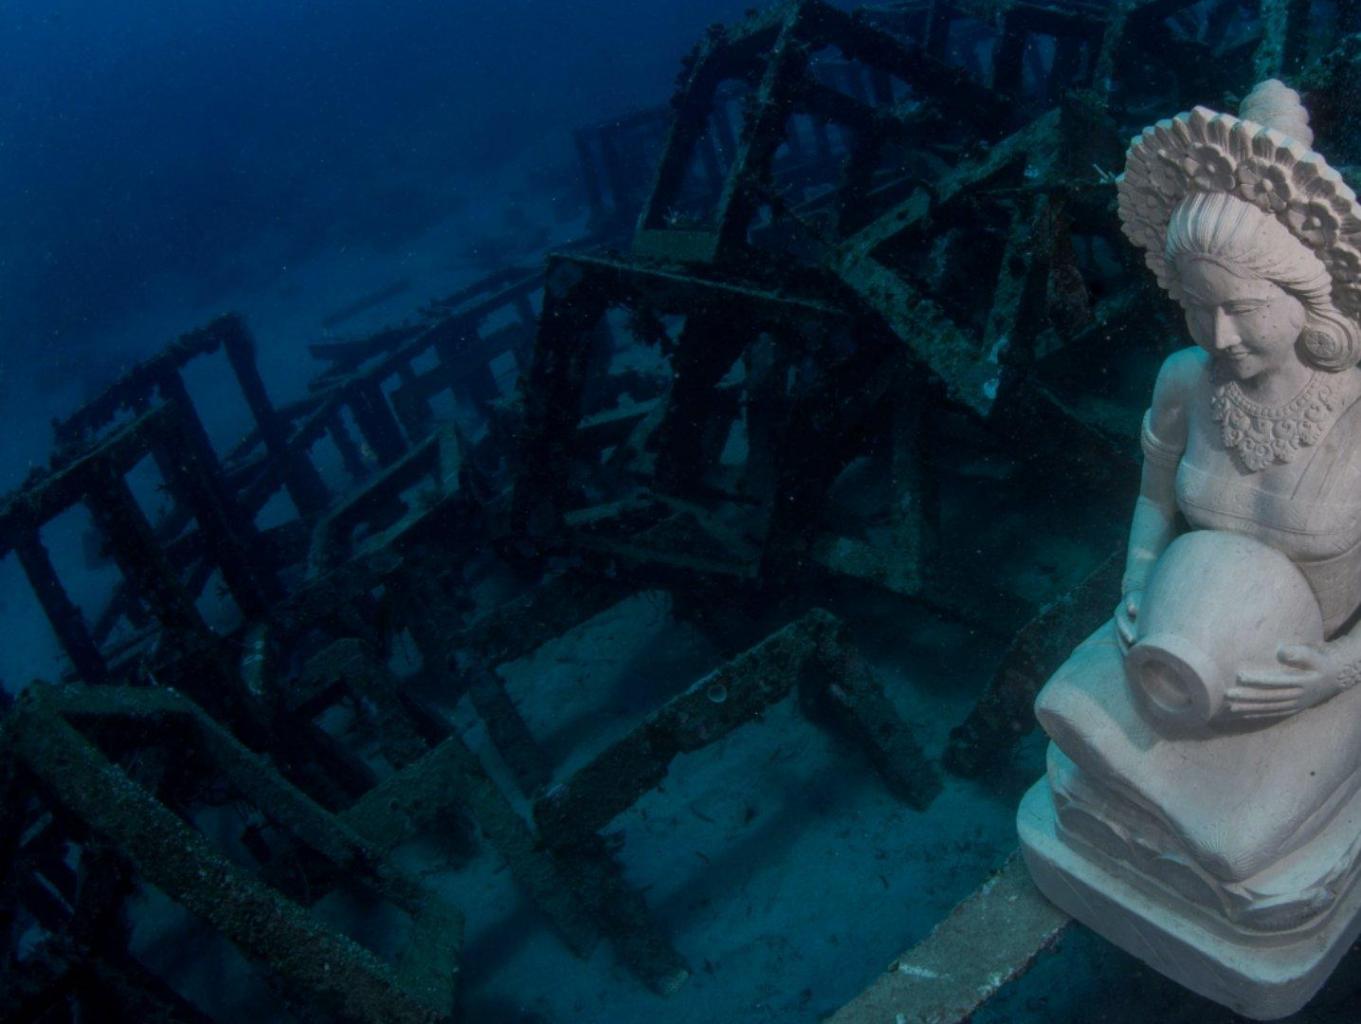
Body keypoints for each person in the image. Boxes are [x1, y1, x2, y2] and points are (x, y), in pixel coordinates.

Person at [1030, 81, 1361, 934]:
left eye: (1241, 310)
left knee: (1237, 850)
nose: (1218, 337)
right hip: (1176, 637)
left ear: (1304, 296)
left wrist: (1333, 671)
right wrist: (1136, 581)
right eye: (1195, 307)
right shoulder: (1186, 380)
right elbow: (1152, 498)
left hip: (1311, 674)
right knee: (1062, 714)